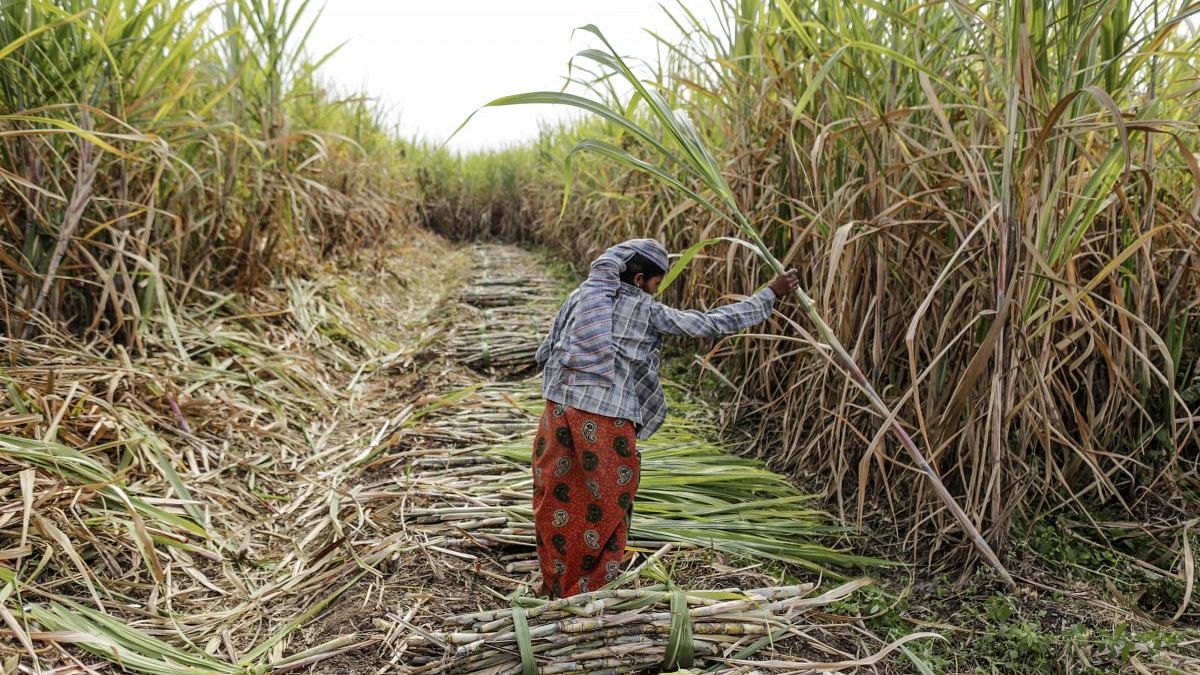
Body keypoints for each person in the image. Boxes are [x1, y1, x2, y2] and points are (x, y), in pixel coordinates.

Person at [531, 238, 799, 598]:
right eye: (657, 284)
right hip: (605, 418)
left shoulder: (583, 295)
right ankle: (588, 588)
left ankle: (555, 581)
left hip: (557, 409)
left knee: (557, 492)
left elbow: (548, 347)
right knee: (608, 502)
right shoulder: (645, 309)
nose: (656, 292)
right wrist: (770, 294)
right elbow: (710, 324)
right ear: (639, 279)